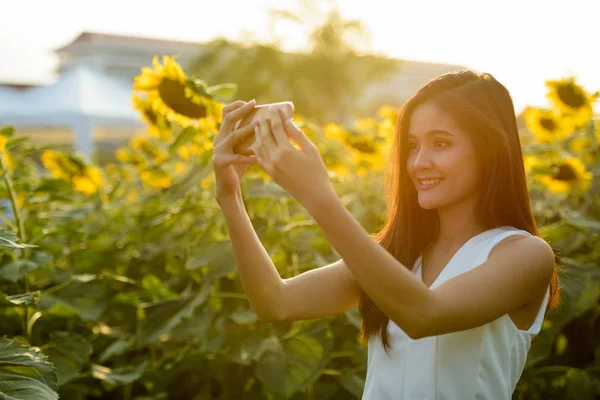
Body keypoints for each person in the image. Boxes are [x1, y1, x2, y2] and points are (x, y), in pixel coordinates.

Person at [211, 70, 560, 399]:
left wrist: (317, 196)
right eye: (411, 145)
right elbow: (276, 301)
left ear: (490, 152)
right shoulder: (397, 254)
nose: (418, 162)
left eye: (440, 143)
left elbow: (425, 315)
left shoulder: (525, 255)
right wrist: (229, 196)